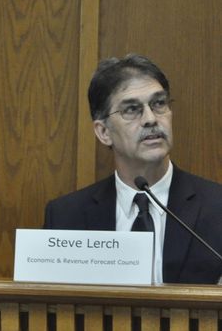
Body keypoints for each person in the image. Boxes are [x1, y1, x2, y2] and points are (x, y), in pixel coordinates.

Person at [44, 54, 222, 284]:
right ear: (103, 132)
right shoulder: (66, 218)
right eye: (131, 109)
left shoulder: (217, 208)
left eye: (159, 104)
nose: (150, 119)